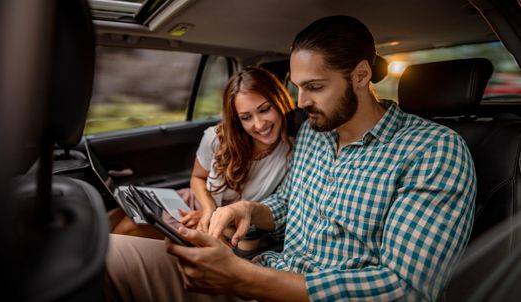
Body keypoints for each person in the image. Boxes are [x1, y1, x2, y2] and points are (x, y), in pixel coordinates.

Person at [105, 15, 476, 302]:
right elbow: (287, 205)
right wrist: (247, 210)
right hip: (259, 276)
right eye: (297, 87)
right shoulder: (316, 135)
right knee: (104, 252)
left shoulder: (432, 150)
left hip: (273, 285)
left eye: (315, 87)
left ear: (361, 76)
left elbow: (405, 289)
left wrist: (242, 277)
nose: (300, 103)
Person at [109, 66, 295, 239]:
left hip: (232, 224)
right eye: (246, 117)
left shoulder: (293, 152)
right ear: (237, 119)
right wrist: (208, 210)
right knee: (122, 220)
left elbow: (271, 209)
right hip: (198, 201)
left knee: (130, 233)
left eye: (265, 109)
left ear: (279, 101)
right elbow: (198, 178)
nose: (259, 124)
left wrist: (214, 217)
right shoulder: (216, 138)